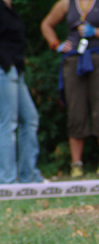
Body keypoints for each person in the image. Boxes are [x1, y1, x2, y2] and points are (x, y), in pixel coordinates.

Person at [41, 0, 99, 178]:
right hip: (74, 58)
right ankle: (77, 164)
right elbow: (46, 24)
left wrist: (96, 32)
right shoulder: (66, 4)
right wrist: (55, 44)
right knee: (76, 109)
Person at [0, 0, 44, 184]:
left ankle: (29, 176)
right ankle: (7, 179)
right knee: (7, 123)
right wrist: (6, 64)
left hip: (16, 71)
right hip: (4, 68)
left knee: (30, 118)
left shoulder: (10, 9)